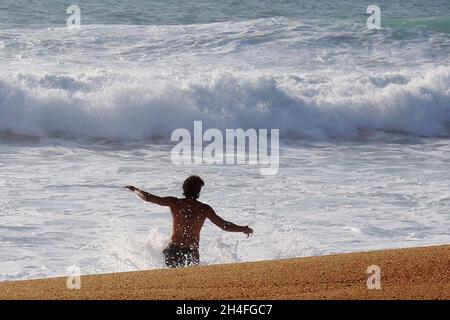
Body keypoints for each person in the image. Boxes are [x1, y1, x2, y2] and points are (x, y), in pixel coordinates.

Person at [125, 175, 253, 268]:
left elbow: (148, 198)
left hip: (173, 250)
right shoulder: (204, 209)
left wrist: (135, 189)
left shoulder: (175, 203)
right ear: (199, 191)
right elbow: (224, 225)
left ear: (184, 189)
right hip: (191, 252)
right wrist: (242, 228)